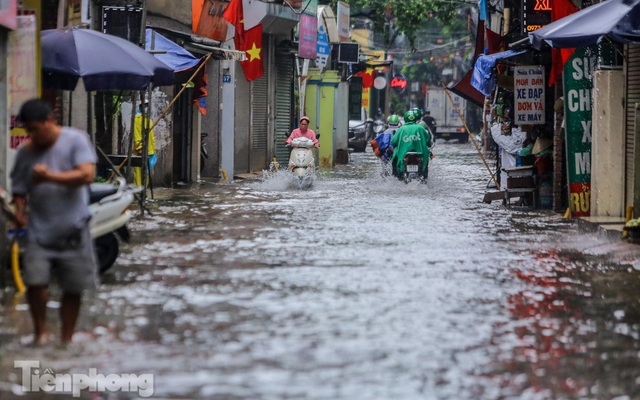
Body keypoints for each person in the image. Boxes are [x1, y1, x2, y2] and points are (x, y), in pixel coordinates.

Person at [10, 98, 98, 345]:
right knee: (35, 283)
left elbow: (86, 175)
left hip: (74, 229)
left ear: (50, 121)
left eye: (35, 130)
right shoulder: (25, 153)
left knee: (73, 288)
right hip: (38, 230)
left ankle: (66, 340)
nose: (32, 136)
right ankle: (40, 334)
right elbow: (19, 190)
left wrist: (49, 176)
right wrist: (19, 212)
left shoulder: (76, 140)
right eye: (28, 131)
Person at [391, 110, 432, 179]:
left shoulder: (401, 129)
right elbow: (428, 141)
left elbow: (393, 142)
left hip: (403, 155)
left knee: (394, 159)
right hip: (420, 155)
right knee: (426, 164)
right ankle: (424, 178)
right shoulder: (420, 128)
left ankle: (397, 177)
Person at [133, 99, 157, 187]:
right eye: (144, 105)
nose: (146, 107)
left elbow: (151, 135)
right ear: (140, 106)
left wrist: (153, 149)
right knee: (139, 172)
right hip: (141, 150)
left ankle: (144, 190)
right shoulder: (137, 119)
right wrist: (139, 148)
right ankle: (138, 190)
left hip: (149, 149)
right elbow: (137, 134)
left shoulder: (148, 118)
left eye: (147, 105)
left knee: (146, 172)